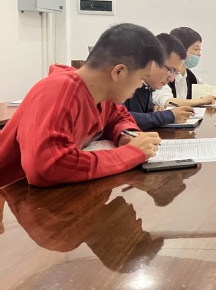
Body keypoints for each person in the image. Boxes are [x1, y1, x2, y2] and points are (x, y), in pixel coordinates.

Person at [0, 23, 164, 187]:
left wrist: (126, 134)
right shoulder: (58, 91)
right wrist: (131, 153)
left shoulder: (102, 95)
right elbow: (48, 165)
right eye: (141, 78)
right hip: (10, 192)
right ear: (118, 72)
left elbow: (118, 118)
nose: (140, 85)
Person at [123, 33, 195, 130]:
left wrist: (153, 112)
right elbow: (119, 118)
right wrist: (168, 116)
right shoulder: (123, 81)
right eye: (171, 70)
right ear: (153, 60)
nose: (171, 79)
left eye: (175, 73)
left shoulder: (148, 87)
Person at [152, 26, 216, 108]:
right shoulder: (162, 76)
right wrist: (201, 101)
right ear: (181, 50)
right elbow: (168, 102)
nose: (199, 54)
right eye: (196, 49)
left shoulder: (190, 76)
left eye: (200, 50)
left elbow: (209, 90)